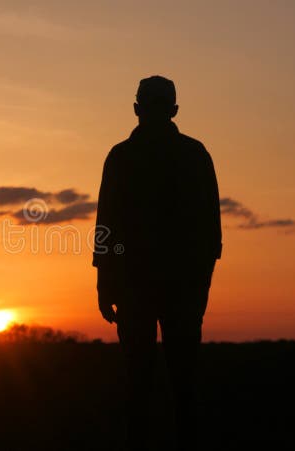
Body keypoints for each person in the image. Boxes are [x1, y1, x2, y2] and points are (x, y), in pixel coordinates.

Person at [93, 75, 222, 451]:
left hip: (137, 288)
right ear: (175, 110)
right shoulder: (195, 155)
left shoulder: (121, 157)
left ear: (136, 109)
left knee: (140, 385)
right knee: (183, 384)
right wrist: (201, 284)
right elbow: (211, 232)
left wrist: (105, 283)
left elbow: (106, 226)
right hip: (182, 287)